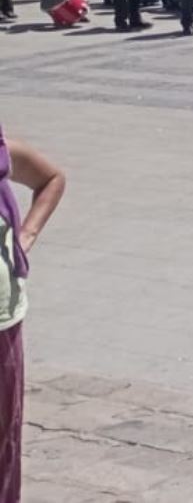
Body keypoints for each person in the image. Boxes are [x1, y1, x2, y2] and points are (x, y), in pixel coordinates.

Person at [1, 125, 68, 503]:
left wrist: (26, 236)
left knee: (2, 438)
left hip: (2, 322)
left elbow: (51, 178)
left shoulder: (4, 152)